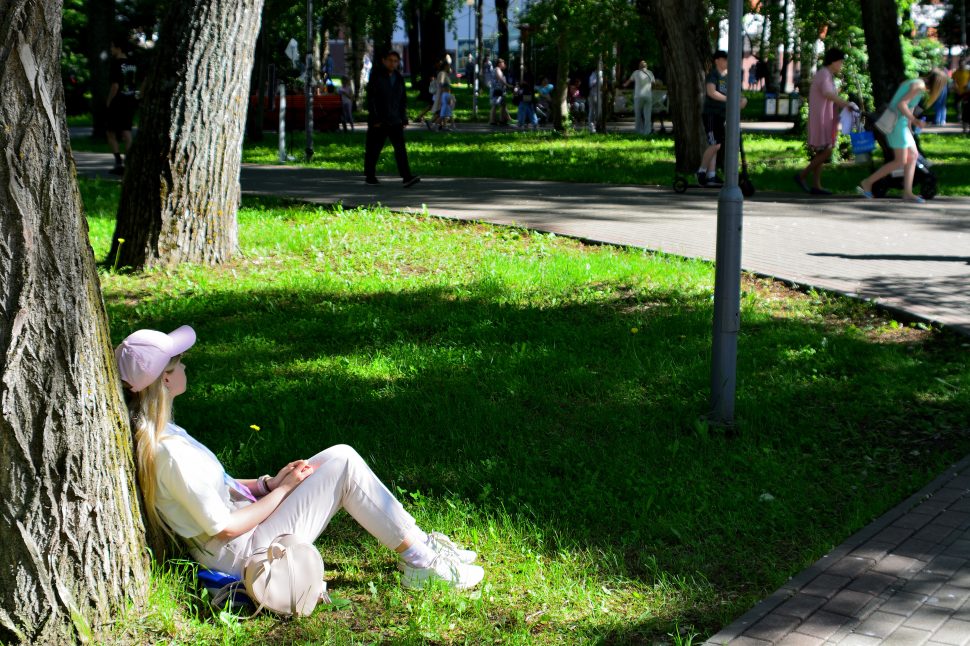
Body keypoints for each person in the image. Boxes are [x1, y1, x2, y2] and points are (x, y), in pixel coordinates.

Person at [115, 325, 485, 591]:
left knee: (338, 458)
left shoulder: (166, 434)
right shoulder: (170, 452)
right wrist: (283, 491)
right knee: (344, 464)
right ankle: (422, 562)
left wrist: (266, 484)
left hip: (242, 540)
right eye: (179, 363)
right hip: (245, 557)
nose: (185, 368)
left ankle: (421, 546)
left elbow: (218, 487)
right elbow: (223, 526)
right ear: (165, 380)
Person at [857, 69, 948, 204]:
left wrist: (910, 127)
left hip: (902, 125)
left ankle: (907, 192)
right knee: (900, 161)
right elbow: (901, 104)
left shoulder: (915, 83)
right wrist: (915, 121)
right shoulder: (919, 86)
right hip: (896, 125)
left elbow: (909, 107)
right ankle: (867, 183)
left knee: (913, 156)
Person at [794, 48, 858, 195]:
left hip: (824, 116)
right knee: (827, 150)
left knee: (822, 151)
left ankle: (816, 185)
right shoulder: (824, 74)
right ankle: (802, 175)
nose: (841, 65)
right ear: (834, 61)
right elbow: (828, 93)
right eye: (840, 62)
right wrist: (845, 104)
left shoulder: (826, 74)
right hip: (822, 118)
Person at [364, 50, 420, 187]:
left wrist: (403, 117)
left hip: (395, 120)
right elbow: (371, 99)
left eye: (395, 61)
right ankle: (370, 175)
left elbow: (402, 100)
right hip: (380, 120)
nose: (392, 63)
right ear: (384, 60)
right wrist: (375, 119)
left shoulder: (399, 78)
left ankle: (406, 176)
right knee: (374, 148)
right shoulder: (376, 76)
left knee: (400, 148)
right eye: (390, 60)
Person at [698, 50, 747, 187]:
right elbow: (711, 92)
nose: (727, 61)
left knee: (716, 145)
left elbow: (735, 92)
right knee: (715, 144)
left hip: (721, 115)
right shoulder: (713, 75)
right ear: (717, 61)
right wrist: (730, 100)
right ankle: (701, 172)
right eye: (724, 59)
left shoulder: (728, 77)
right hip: (711, 114)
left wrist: (742, 100)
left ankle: (711, 175)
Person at [105, 33, 140, 175]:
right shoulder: (133, 63)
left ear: (118, 48)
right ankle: (130, 163)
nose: (111, 50)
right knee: (127, 132)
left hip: (118, 101)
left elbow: (115, 85)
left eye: (112, 47)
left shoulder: (116, 64)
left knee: (110, 132)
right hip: (130, 100)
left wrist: (109, 101)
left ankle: (119, 162)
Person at [622, 60, 656, 136]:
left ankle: (638, 131)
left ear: (639, 66)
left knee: (638, 114)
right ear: (646, 66)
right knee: (647, 115)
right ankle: (647, 132)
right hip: (648, 96)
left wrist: (623, 85)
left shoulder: (636, 73)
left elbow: (627, 83)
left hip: (638, 96)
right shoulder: (650, 73)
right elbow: (654, 83)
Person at [489, 58, 512, 125]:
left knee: (502, 105)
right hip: (497, 90)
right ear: (499, 64)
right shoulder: (497, 69)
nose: (504, 64)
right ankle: (493, 121)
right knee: (495, 105)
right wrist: (508, 85)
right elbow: (500, 79)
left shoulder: (498, 70)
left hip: (499, 90)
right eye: (503, 63)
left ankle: (503, 120)